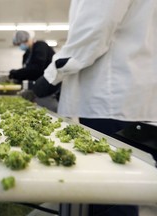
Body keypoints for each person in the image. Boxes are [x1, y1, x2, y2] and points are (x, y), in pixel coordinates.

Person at [34, 0, 157, 215]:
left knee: (108, 194)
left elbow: (93, 30)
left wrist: (50, 76)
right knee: (123, 190)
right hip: (130, 98)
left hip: (108, 102)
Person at [10, 30, 60, 112]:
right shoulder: (27, 54)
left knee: (49, 112)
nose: (20, 46)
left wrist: (16, 73)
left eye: (20, 43)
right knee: (40, 111)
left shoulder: (40, 46)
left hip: (49, 88)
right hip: (38, 88)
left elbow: (37, 69)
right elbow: (28, 72)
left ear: (27, 39)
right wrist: (18, 77)